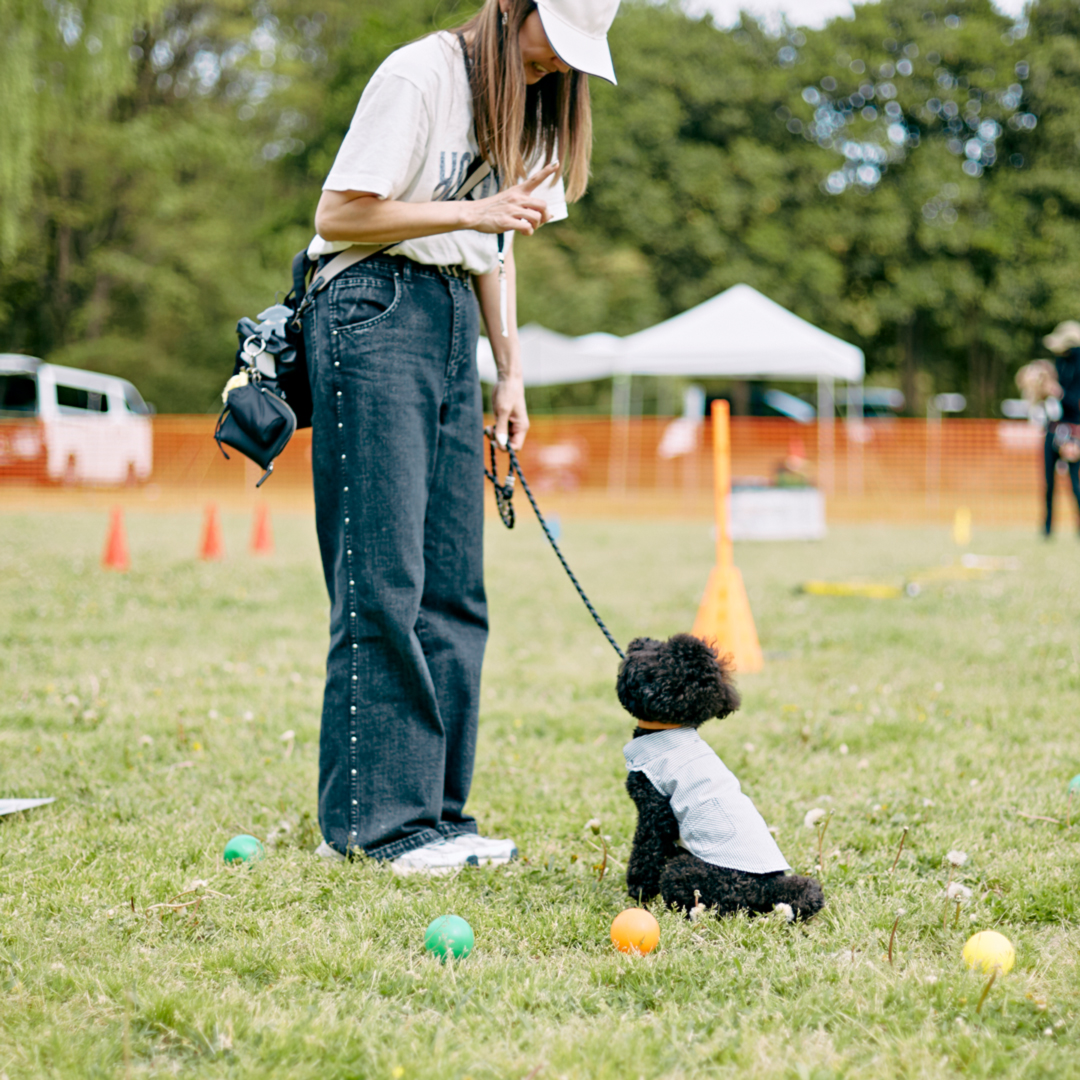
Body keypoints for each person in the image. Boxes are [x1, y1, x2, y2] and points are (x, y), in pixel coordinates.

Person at [303, 0, 620, 873]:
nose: (554, 70)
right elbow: (340, 215)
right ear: (512, 10)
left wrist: (507, 371)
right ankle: (379, 828)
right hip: (371, 308)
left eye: (572, 60)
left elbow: (500, 248)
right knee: (386, 580)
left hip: (449, 324)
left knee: (455, 588)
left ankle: (440, 817)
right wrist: (467, 215)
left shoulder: (533, 109)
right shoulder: (419, 75)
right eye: (548, 47)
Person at [1041, 321, 1080, 536]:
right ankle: (1047, 529)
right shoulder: (1058, 363)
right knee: (1048, 484)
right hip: (1053, 428)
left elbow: (1075, 401)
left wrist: (1060, 393)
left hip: (1073, 431)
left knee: (1075, 484)